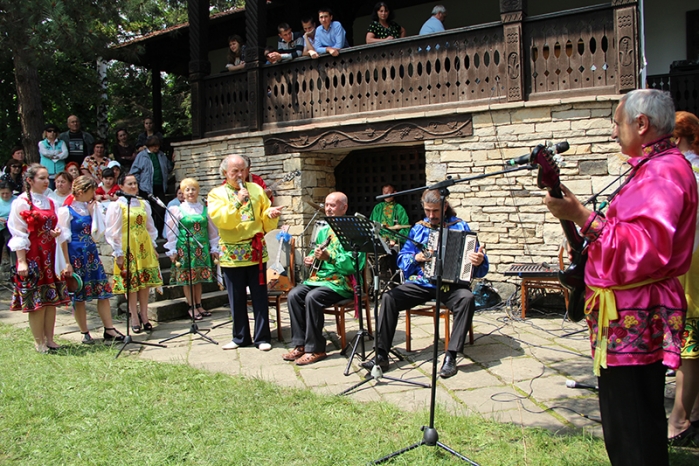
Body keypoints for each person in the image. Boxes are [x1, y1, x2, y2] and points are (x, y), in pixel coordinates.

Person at [543, 89, 697, 466]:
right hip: (624, 315)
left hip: (635, 312)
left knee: (632, 424)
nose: (614, 132)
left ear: (641, 124)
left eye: (617, 122)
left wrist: (581, 216)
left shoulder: (663, 173)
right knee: (627, 418)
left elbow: (644, 249)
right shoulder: (652, 167)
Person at [362, 189, 488, 378]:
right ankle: (381, 355)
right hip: (423, 284)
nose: (431, 215)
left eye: (435, 211)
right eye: (427, 210)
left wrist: (479, 261)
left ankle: (451, 356)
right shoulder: (418, 229)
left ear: (445, 207)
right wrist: (416, 258)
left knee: (467, 298)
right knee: (389, 298)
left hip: (452, 287)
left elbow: (481, 267)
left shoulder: (461, 227)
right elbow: (402, 259)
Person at [207, 154, 283, 352]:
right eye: (235, 171)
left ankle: (262, 337)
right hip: (232, 253)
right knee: (236, 297)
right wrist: (238, 202)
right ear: (225, 173)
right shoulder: (216, 194)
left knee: (259, 296)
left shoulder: (256, 190)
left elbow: (264, 216)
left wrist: (271, 214)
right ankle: (240, 336)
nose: (240, 175)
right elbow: (222, 220)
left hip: (255, 251)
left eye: (243, 170)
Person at [282, 192, 365, 365]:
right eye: (326, 205)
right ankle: (300, 344)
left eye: (332, 205)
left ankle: (316, 349)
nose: (328, 209)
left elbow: (355, 265)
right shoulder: (324, 230)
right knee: (294, 295)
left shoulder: (354, 230)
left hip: (343, 283)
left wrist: (330, 258)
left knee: (313, 297)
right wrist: (311, 258)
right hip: (320, 280)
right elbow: (316, 251)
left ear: (344, 207)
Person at [7, 164, 71, 352]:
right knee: (37, 301)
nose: (46, 182)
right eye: (41, 178)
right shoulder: (22, 202)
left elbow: (54, 226)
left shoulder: (50, 202)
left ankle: (50, 339)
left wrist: (55, 232)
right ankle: (38, 341)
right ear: (30, 180)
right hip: (33, 255)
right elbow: (18, 232)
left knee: (50, 298)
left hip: (50, 254)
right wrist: (21, 261)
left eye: (46, 178)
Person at [57, 175, 123, 344]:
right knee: (79, 296)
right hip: (75, 254)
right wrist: (66, 263)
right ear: (81, 191)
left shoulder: (90, 207)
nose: (94, 194)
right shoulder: (66, 210)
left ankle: (109, 329)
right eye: (92, 191)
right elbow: (63, 238)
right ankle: (84, 331)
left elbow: (97, 233)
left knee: (102, 293)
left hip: (91, 253)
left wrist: (94, 214)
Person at [669, 110, 699, 444]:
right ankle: (696, 414)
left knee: (689, 346)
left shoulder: (684, 171)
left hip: (691, 263)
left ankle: (677, 422)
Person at [105, 172, 163, 334]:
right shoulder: (117, 205)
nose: (133, 187)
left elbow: (150, 227)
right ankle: (134, 316)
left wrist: (153, 246)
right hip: (128, 246)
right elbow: (112, 231)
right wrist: (118, 252)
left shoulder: (143, 204)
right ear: (121, 186)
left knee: (143, 283)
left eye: (135, 184)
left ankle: (144, 315)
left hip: (143, 246)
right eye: (129, 184)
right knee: (131, 284)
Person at [165, 178, 220, 320]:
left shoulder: (204, 209)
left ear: (198, 191)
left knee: (199, 278)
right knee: (188, 278)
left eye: (193, 189)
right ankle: (191, 306)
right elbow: (171, 231)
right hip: (185, 248)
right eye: (187, 190)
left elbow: (212, 231)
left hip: (201, 247)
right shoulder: (177, 209)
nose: (190, 192)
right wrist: (172, 249)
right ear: (182, 193)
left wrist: (214, 247)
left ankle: (199, 304)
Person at [130, 135, 173, 235]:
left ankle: (159, 232)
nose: (156, 148)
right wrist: (140, 183)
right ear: (149, 146)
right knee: (148, 210)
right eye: (154, 146)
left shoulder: (161, 155)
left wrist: (172, 161)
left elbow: (168, 168)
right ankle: (148, 232)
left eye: (157, 146)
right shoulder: (141, 156)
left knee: (160, 209)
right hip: (146, 188)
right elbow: (134, 171)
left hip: (160, 187)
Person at [38, 123, 68, 190]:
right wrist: (58, 153)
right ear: (45, 132)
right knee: (48, 192)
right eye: (49, 131)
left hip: (60, 173)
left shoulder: (62, 142)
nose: (52, 133)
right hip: (47, 173)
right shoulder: (41, 143)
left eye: (54, 131)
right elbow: (45, 153)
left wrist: (52, 155)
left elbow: (65, 154)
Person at [0, 181, 16, 272]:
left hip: (11, 227)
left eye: (7, 193)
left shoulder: (16, 200)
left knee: (11, 244)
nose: (5, 195)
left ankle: (14, 269)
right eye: (2, 193)